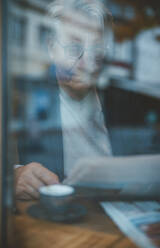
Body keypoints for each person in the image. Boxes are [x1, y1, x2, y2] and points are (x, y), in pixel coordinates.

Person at [15, 0, 113, 200]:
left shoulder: (127, 103)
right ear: (52, 48)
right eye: (74, 48)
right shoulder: (22, 96)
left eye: (96, 50)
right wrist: (13, 174)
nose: (87, 62)